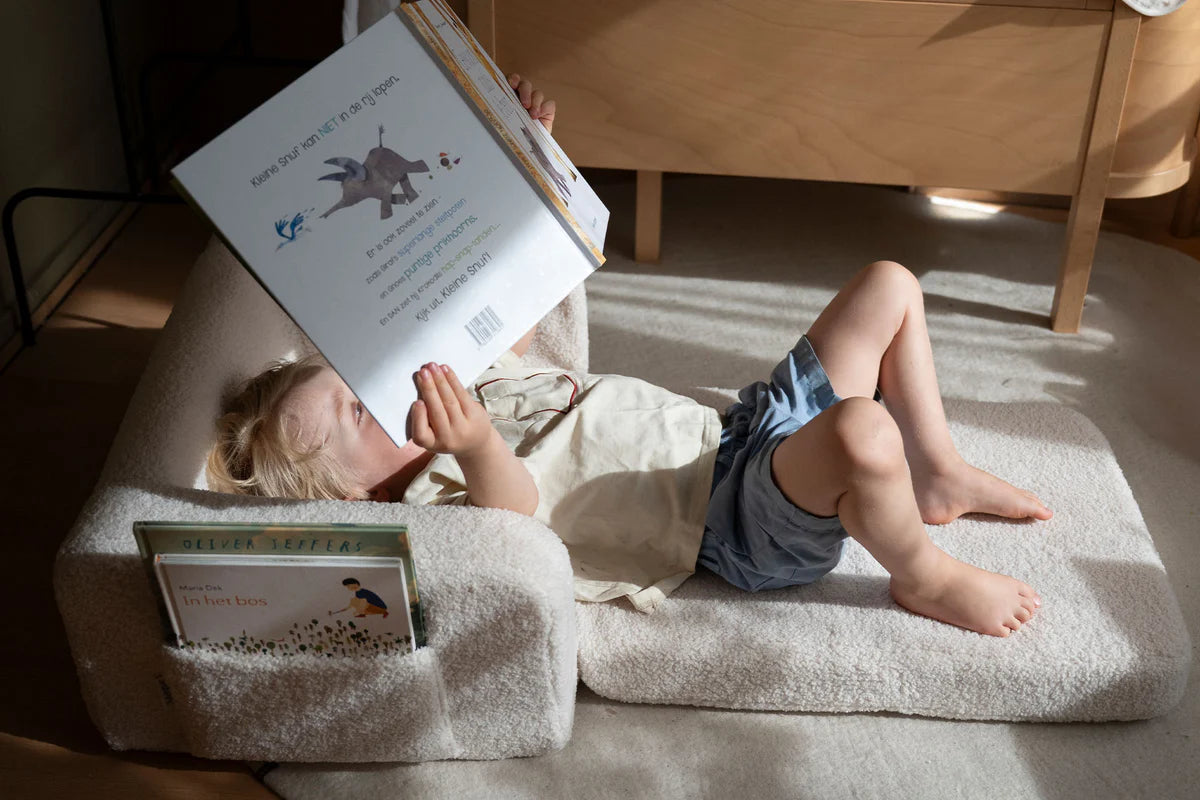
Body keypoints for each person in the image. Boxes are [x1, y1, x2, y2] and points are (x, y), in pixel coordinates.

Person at [207, 76, 1051, 637]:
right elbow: (516, 524)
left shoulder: (464, 388)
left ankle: (935, 473)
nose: (378, 389)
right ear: (359, 491)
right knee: (865, 433)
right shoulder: (436, 491)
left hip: (742, 433)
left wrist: (525, 157)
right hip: (733, 518)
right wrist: (473, 446)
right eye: (360, 409)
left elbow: (520, 317)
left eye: (356, 377)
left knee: (891, 284)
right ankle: (923, 574)